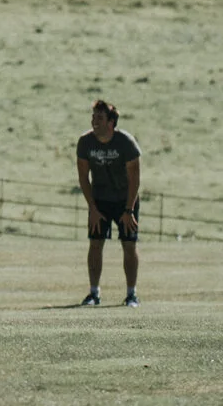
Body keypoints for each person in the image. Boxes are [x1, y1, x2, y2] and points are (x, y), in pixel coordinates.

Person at [75, 99, 140, 307]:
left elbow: (135, 180)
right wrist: (92, 209)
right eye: (93, 117)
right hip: (99, 200)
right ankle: (93, 293)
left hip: (125, 200)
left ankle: (131, 295)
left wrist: (129, 210)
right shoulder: (85, 143)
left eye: (100, 118)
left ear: (111, 122)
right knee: (95, 244)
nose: (94, 121)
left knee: (129, 245)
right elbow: (84, 178)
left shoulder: (126, 143)